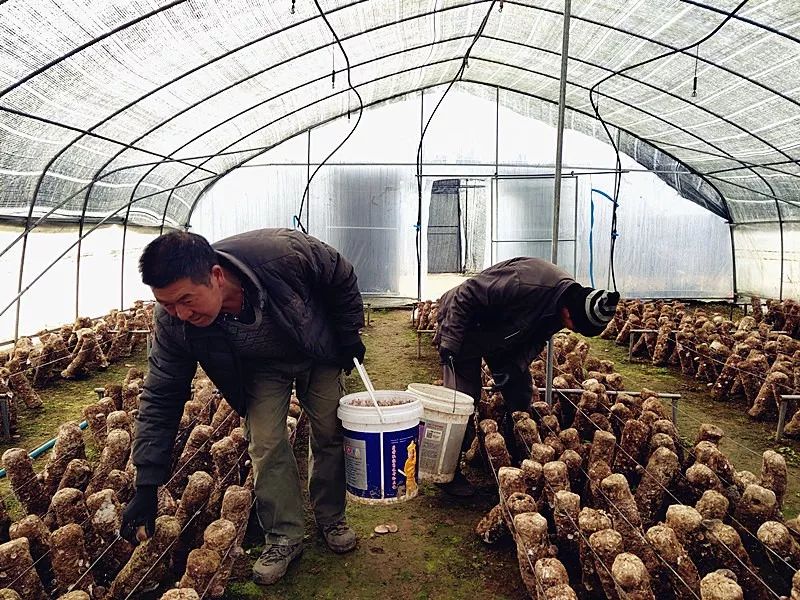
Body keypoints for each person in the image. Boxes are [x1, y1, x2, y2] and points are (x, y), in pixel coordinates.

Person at [120, 228, 366, 585]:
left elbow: (338, 273)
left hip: (316, 346)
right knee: (265, 443)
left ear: (216, 276)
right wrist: (146, 484)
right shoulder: (173, 320)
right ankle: (284, 536)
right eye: (168, 303)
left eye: (187, 299)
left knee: (329, 430)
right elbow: (162, 393)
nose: (181, 313)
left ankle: (331, 517)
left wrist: (348, 332)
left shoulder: (283, 254)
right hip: (261, 366)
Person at [434, 256, 620, 495]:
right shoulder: (526, 283)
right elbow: (467, 293)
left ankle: (514, 450)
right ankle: (446, 472)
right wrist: (450, 342)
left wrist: (514, 367)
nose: (570, 330)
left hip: (500, 335)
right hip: (465, 324)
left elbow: (535, 338)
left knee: (520, 391)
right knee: (461, 401)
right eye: (575, 327)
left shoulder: (564, 302)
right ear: (570, 313)